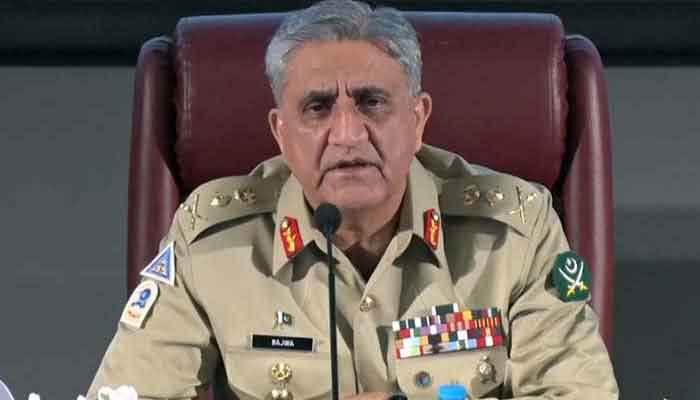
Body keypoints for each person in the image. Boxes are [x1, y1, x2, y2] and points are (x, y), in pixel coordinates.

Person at [88, 1, 619, 399]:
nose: (347, 133)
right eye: (318, 108)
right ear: (280, 133)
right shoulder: (211, 240)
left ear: (418, 120)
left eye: (372, 102)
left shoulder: (518, 232)